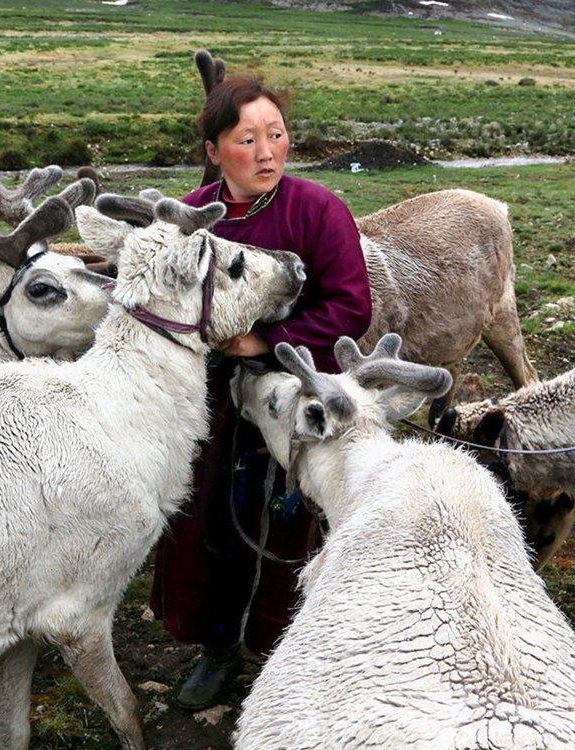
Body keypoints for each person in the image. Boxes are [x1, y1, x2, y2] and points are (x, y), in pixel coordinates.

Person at [148, 75, 372, 710]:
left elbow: (352, 307)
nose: (269, 152)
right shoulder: (189, 216)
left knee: (286, 523)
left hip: (292, 392)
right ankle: (216, 648)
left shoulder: (317, 209)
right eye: (249, 139)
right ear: (215, 149)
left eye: (276, 135)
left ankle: (284, 649)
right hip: (208, 402)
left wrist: (265, 341)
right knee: (204, 520)